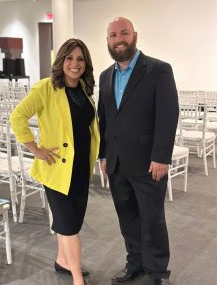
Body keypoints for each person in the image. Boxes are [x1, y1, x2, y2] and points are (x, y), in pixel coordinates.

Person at [10, 38, 100, 285]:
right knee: (70, 225)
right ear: (60, 61)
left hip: (80, 166)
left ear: (86, 64)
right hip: (57, 168)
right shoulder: (46, 88)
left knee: (68, 220)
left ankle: (63, 260)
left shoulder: (83, 88)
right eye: (69, 58)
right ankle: (77, 278)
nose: (75, 63)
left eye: (80, 59)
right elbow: (17, 117)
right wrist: (35, 149)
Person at [98, 17, 179, 285]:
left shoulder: (158, 70)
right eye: (112, 35)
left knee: (152, 220)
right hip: (118, 163)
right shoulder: (105, 76)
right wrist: (104, 155)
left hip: (148, 164)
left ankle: (157, 272)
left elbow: (168, 115)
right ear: (108, 40)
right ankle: (134, 263)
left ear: (135, 35)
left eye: (124, 33)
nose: (118, 39)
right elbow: (105, 119)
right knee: (127, 218)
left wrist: (161, 156)